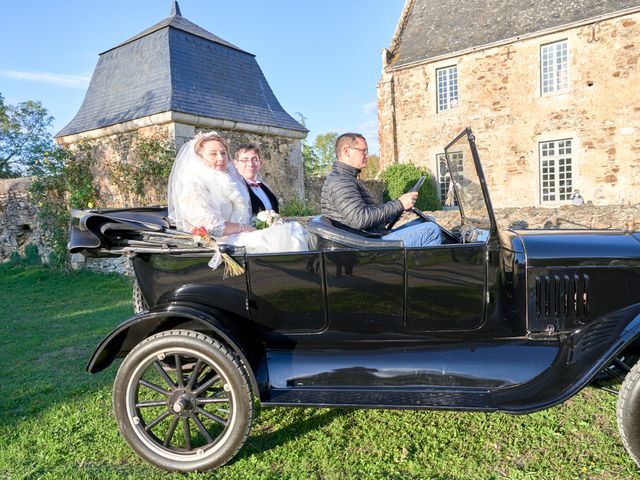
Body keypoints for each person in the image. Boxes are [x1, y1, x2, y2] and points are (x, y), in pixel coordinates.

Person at [168, 132, 308, 253]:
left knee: (291, 231)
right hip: (218, 245)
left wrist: (264, 223)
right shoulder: (193, 186)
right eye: (213, 154)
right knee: (288, 235)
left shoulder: (229, 183)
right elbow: (212, 225)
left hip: (237, 239)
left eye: (223, 153)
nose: (221, 158)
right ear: (200, 158)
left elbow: (243, 217)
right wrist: (244, 228)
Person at [321, 133, 441, 247]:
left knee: (428, 221)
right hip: (368, 244)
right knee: (431, 230)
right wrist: (399, 204)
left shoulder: (346, 178)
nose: (367, 156)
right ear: (347, 151)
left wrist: (400, 208)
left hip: (370, 237)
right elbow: (360, 219)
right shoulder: (341, 182)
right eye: (363, 151)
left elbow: (370, 216)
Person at [233, 144, 279, 214]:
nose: (251, 164)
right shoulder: (234, 189)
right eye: (245, 160)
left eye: (255, 160)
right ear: (235, 163)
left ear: (260, 163)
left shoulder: (266, 188)